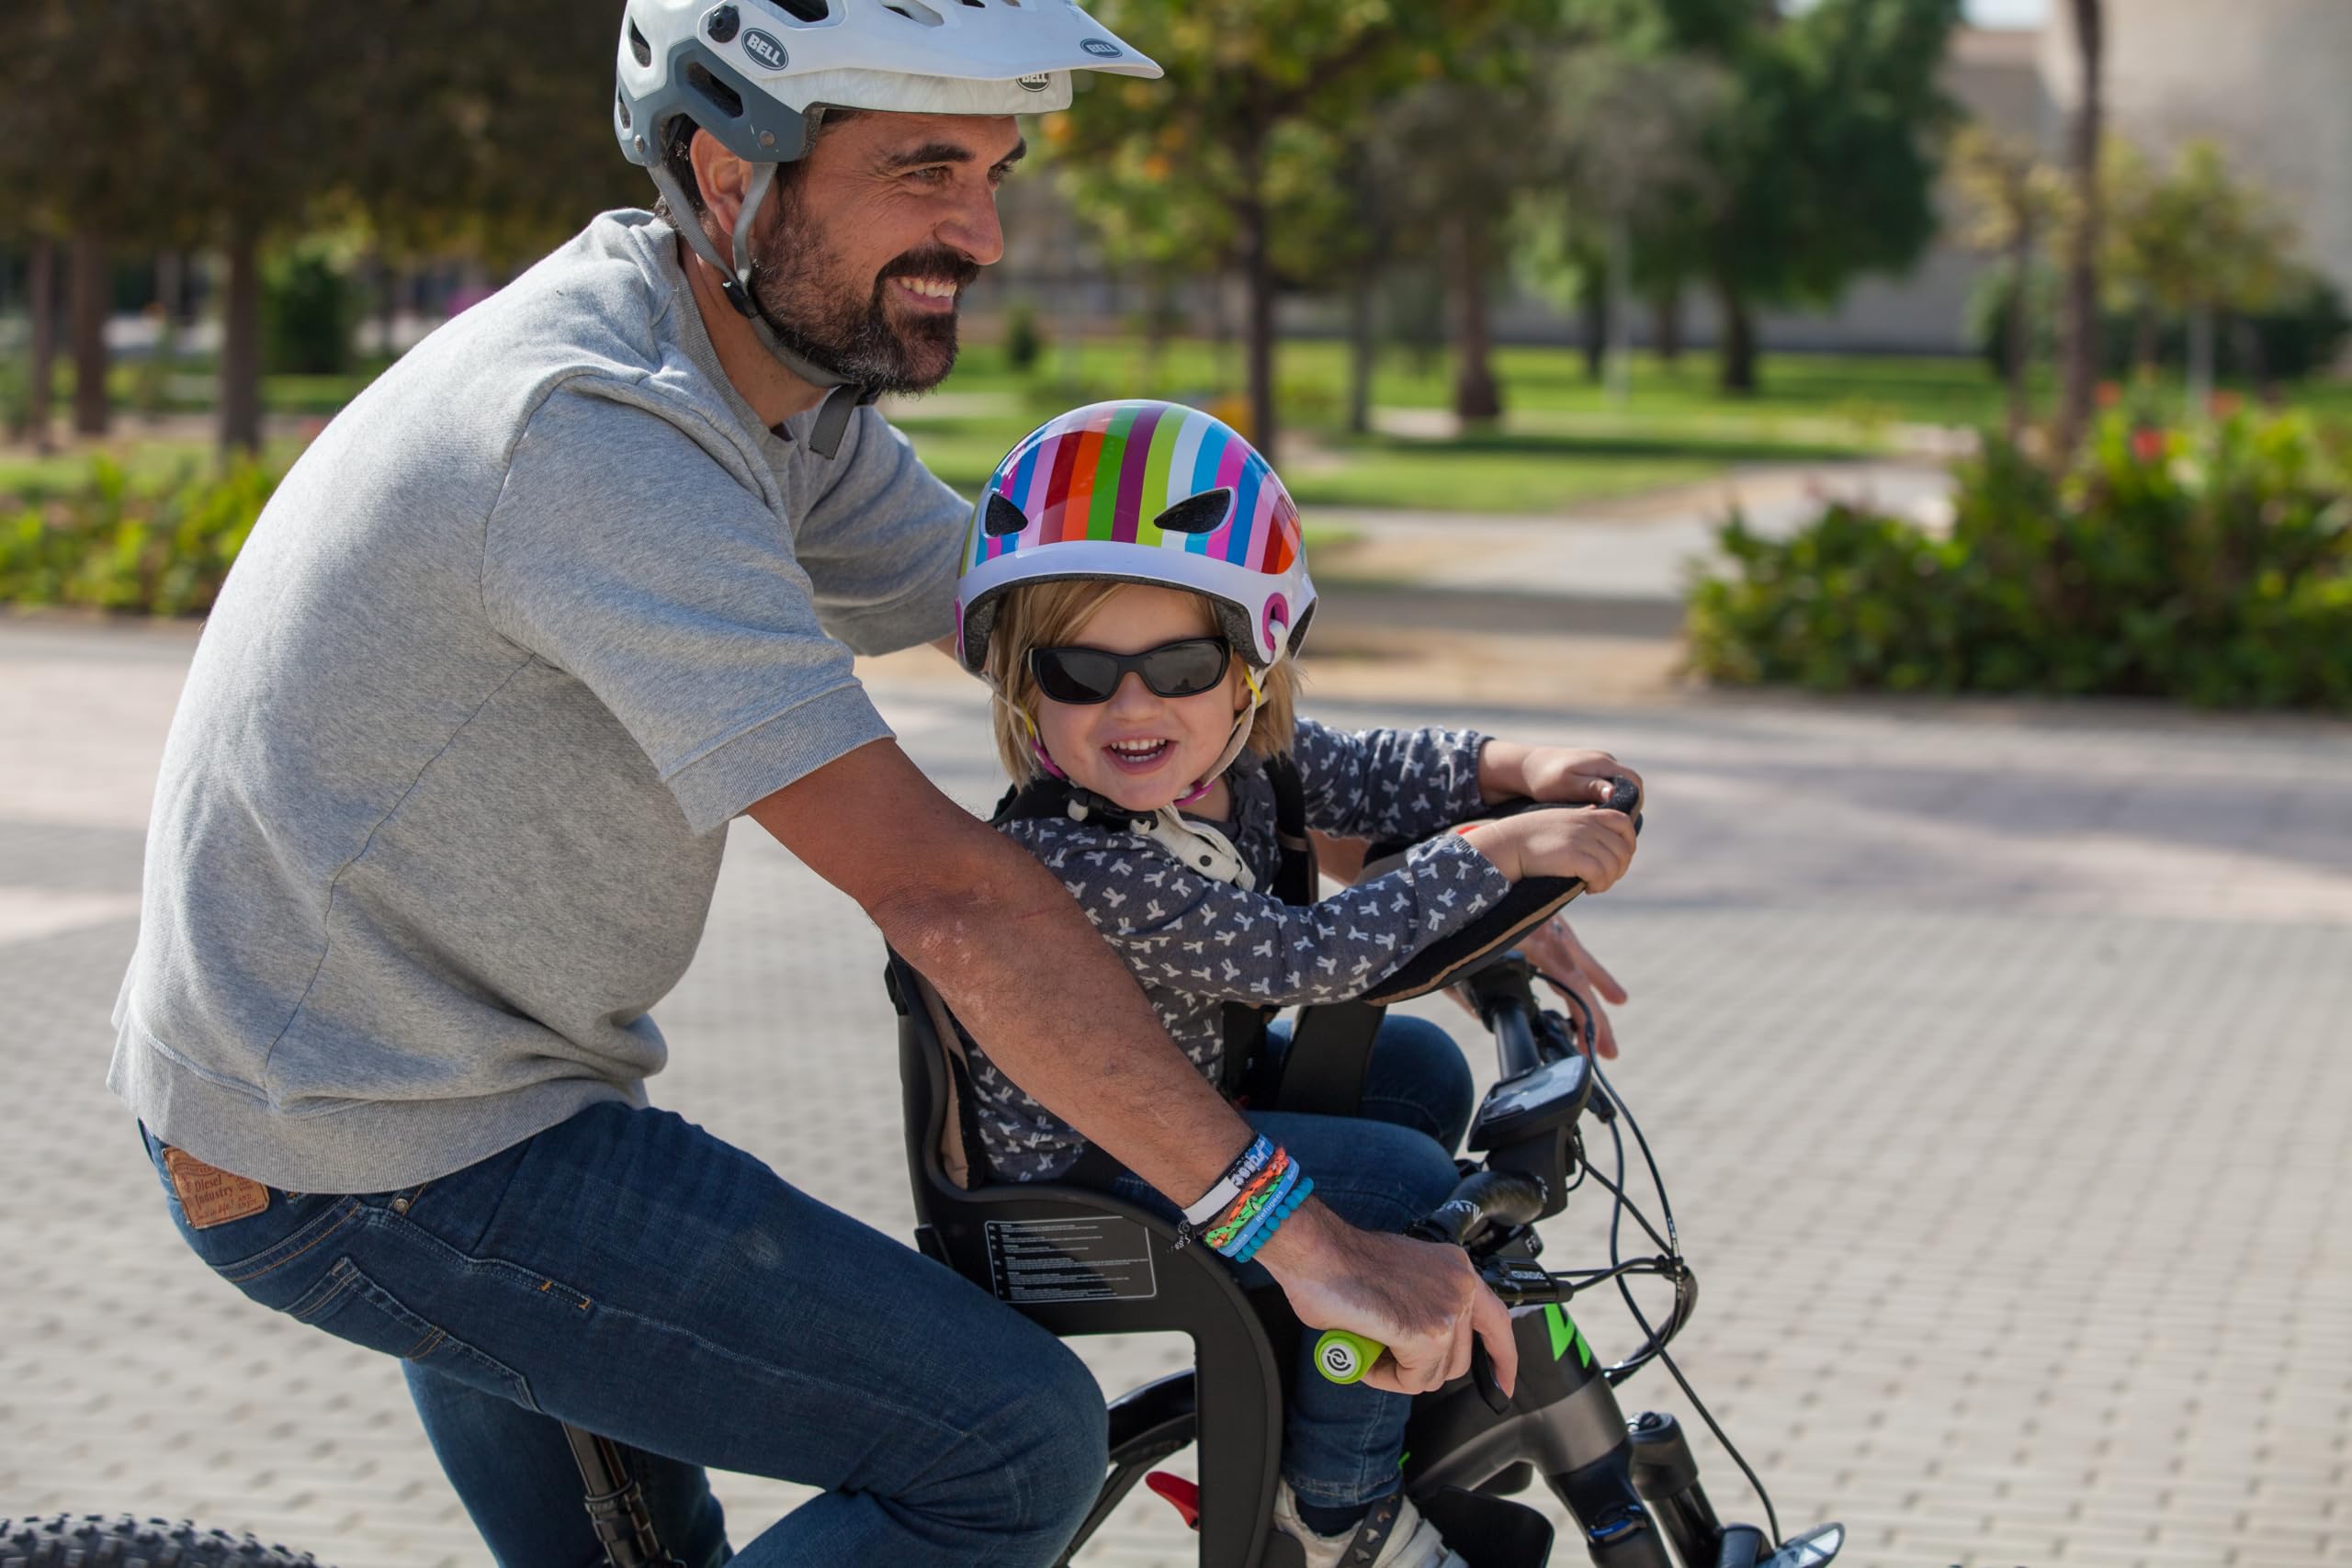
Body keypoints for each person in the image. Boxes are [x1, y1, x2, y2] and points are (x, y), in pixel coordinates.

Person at [107, 6, 1518, 1566]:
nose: (975, 232)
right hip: (374, 1153)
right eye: (921, 169)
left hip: (453, 1098)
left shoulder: (772, 400)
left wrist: (1444, 845)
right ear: (728, 172)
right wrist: (1302, 1243)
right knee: (1004, 1443)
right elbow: (944, 895)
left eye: (993, 172)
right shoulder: (602, 438)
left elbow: (1074, 640)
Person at [954, 400, 1644, 1568]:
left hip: (1190, 1103)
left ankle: (1353, 1382)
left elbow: (1374, 777)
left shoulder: (1237, 769)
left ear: (1252, 666)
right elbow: (1300, 960)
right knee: (1394, 1183)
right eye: (1079, 672)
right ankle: (1336, 1507)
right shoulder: (1075, 854)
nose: (1132, 708)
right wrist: (1489, 853)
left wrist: (1514, 770)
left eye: (1178, 665)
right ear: (1025, 689)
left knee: (1415, 1069)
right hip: (1078, 1176)